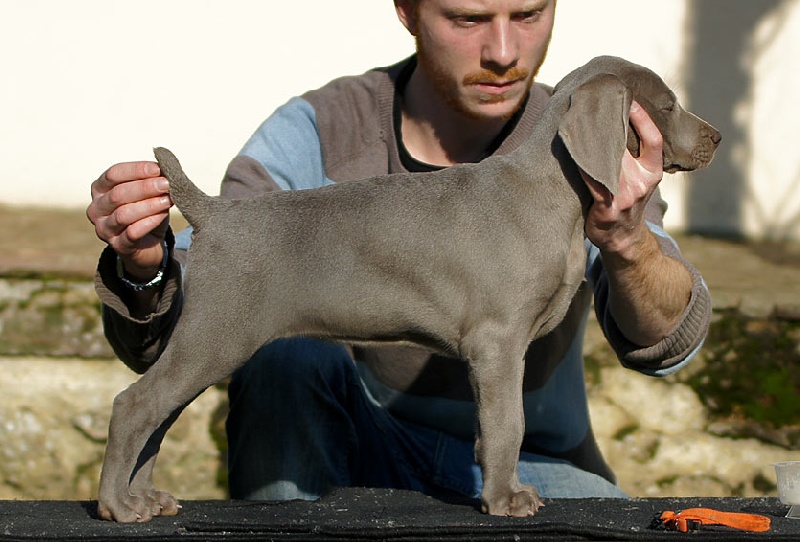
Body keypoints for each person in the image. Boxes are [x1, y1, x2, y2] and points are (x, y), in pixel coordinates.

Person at [87, 0, 711, 502]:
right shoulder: (320, 128)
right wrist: (146, 267)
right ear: (407, 10)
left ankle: (499, 477)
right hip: (356, 440)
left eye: (528, 14)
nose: (502, 51)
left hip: (543, 465)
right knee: (277, 362)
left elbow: (670, 342)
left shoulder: (598, 149)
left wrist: (626, 239)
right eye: (467, 18)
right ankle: (263, 516)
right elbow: (218, 261)